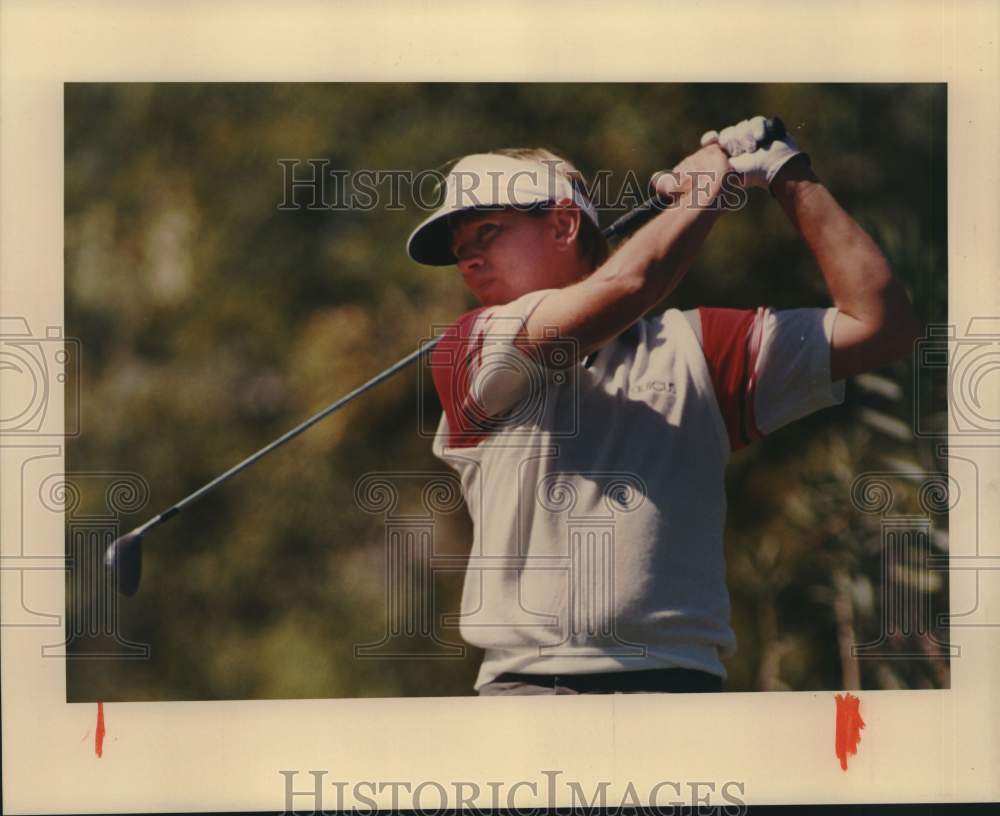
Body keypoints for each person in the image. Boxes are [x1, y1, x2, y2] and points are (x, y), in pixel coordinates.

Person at [406, 116, 921, 696]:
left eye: (487, 233)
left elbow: (881, 326)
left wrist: (788, 176)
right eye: (460, 251)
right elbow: (630, 284)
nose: (468, 261)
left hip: (683, 688)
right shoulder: (471, 346)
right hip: (529, 692)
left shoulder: (698, 349)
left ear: (563, 224)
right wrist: (708, 188)